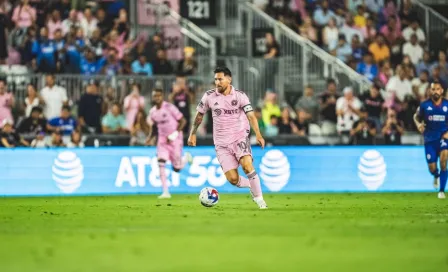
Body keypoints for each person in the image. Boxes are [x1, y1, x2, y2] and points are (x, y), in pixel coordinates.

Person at [187, 67, 268, 209]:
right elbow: (200, 115)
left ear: (229, 79)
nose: (217, 82)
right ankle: (252, 184)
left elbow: (251, 116)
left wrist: (258, 134)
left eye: (220, 79)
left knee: (247, 165)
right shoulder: (209, 96)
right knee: (233, 179)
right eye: (215, 79)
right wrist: (193, 133)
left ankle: (260, 200)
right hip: (221, 144)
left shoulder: (240, 96)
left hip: (240, 137)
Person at [147, 88, 192, 199]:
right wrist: (150, 137)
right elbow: (154, 126)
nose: (157, 98)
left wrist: (174, 134)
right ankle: (165, 192)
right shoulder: (152, 112)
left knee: (177, 168)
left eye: (159, 95)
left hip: (175, 139)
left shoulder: (169, 107)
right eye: (155, 96)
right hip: (162, 140)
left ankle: (186, 157)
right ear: (153, 97)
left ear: (162, 97)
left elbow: (183, 121)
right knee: (161, 162)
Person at [413, 81, 448, 199]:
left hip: (443, 137)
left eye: (438, 89)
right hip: (429, 139)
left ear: (442, 91)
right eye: (433, 89)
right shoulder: (424, 105)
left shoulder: (447, 105)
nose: (435, 91)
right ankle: (436, 175)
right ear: (430, 91)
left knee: (443, 161)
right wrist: (418, 124)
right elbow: (416, 116)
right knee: (432, 167)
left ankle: (442, 191)